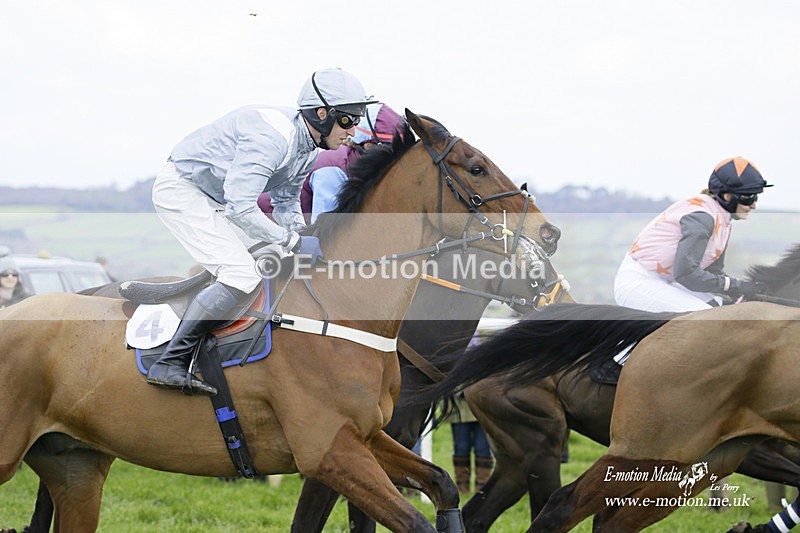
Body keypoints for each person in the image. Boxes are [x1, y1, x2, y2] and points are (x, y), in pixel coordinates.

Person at [146, 68, 376, 395]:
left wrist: (306, 241)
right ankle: (171, 361)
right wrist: (292, 240)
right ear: (322, 114)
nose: (353, 131)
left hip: (217, 198)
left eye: (358, 120)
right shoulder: (274, 138)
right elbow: (241, 207)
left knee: (279, 258)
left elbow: (285, 202)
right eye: (348, 121)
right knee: (241, 273)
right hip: (183, 190)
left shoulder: (308, 146)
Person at [614, 156, 772, 312]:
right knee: (707, 320)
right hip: (639, 282)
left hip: (670, 281)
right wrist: (735, 285)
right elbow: (686, 274)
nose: (753, 205)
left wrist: (742, 290)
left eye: (756, 196)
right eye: (748, 197)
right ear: (727, 196)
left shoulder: (723, 221)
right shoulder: (702, 218)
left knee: (723, 309)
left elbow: (712, 272)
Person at [257, 102, 404, 224]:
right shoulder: (334, 170)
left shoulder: (359, 165)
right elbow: (324, 232)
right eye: (389, 147)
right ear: (367, 144)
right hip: (262, 221)